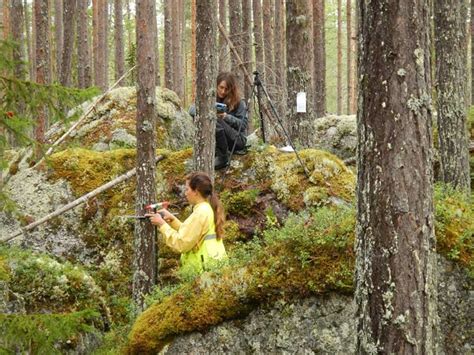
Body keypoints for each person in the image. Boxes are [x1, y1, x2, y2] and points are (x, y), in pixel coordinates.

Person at [147, 172, 227, 275]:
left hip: (204, 270)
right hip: (212, 267)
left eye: (187, 189)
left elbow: (182, 243)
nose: (185, 193)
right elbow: (192, 234)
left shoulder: (200, 212)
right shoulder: (206, 208)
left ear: (196, 191)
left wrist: (162, 224)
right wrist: (172, 220)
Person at [190, 72, 248, 170]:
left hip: (237, 140)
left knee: (215, 119)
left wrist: (226, 117)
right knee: (211, 117)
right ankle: (216, 151)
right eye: (221, 87)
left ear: (231, 89)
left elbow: (242, 125)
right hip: (221, 140)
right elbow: (191, 109)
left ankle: (223, 157)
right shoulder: (210, 98)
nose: (223, 91)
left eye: (226, 89)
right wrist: (207, 111)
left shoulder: (239, 102)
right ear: (216, 86)